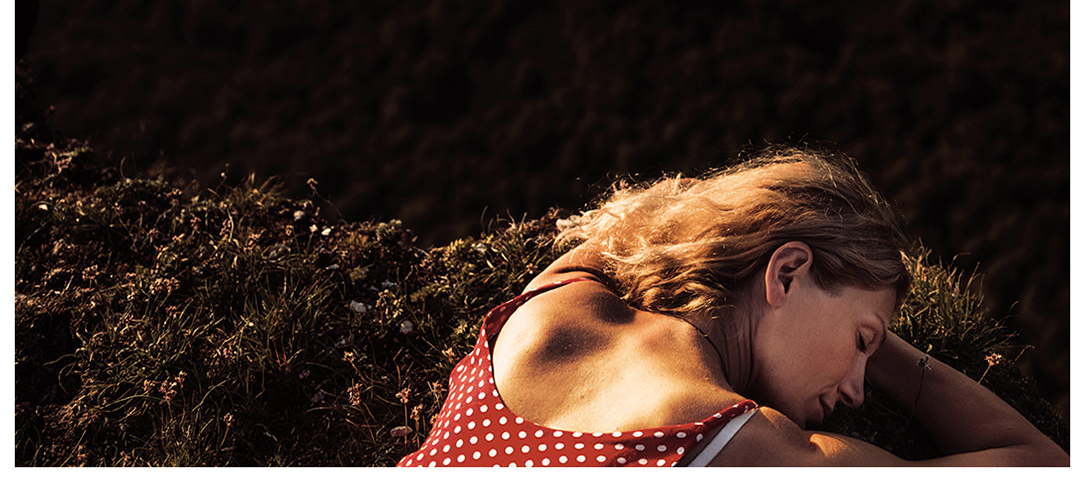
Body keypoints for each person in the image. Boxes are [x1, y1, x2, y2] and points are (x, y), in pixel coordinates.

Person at [398, 147, 1067, 467]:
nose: (860, 390)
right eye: (864, 341)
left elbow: (643, 212)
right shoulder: (735, 447)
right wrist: (893, 354)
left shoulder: (548, 307)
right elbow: (1032, 462)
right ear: (787, 272)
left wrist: (855, 313)